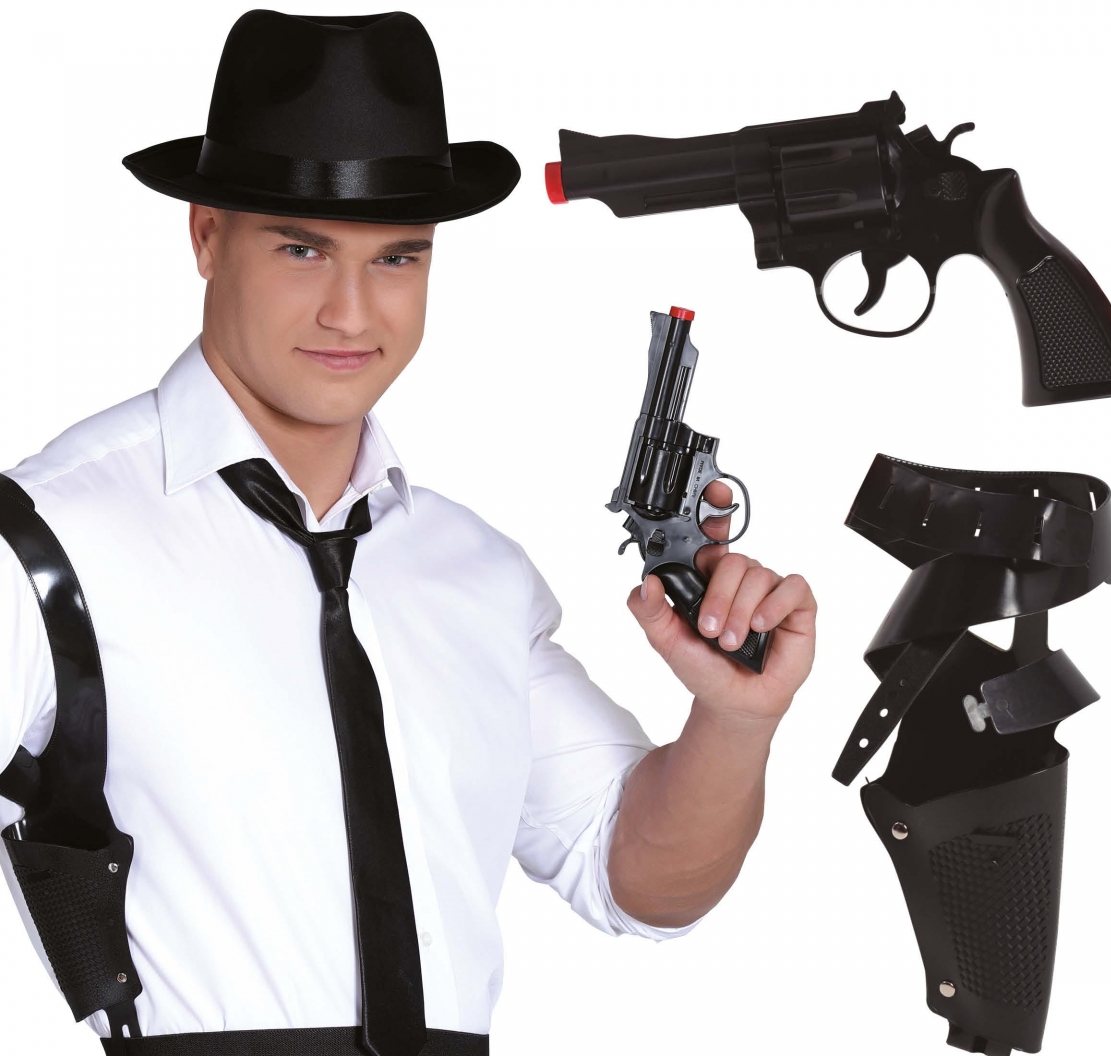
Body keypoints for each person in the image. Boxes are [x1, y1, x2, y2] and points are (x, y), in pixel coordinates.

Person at [0, 10, 816, 1054]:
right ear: (206, 236)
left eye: (396, 258)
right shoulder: (49, 545)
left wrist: (736, 720)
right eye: (302, 249)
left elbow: (640, 881)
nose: (352, 313)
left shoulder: (477, 576)